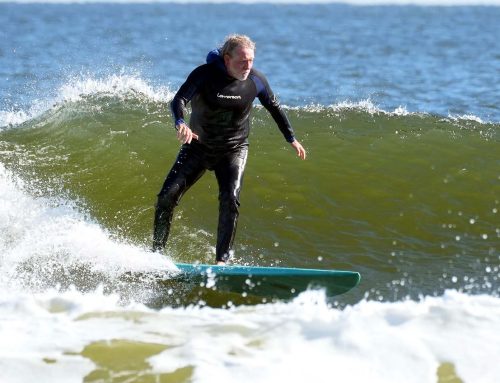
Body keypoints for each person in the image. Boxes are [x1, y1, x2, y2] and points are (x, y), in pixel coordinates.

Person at [153, 34, 306, 265]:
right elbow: (178, 100)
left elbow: (274, 107)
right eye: (242, 61)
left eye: (251, 60)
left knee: (230, 199)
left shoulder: (256, 80)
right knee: (166, 197)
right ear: (227, 58)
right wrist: (180, 123)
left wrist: (291, 138)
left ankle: (221, 262)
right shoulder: (204, 75)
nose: (248, 66)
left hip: (233, 149)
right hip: (197, 147)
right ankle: (156, 254)